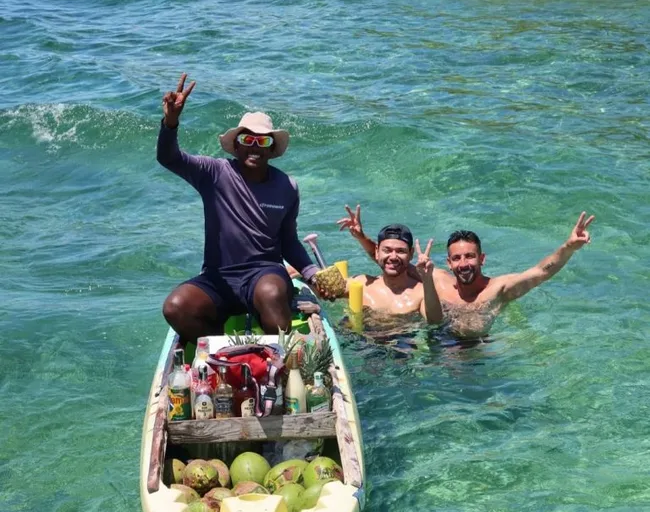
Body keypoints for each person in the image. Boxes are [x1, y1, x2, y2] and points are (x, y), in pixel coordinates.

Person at [157, 73, 321, 343]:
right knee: (175, 307)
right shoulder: (213, 173)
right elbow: (168, 158)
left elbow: (289, 241)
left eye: (263, 141)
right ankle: (223, 354)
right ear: (235, 146)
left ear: (272, 149)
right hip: (218, 277)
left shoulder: (287, 186)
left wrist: (312, 274)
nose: (254, 147)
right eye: (247, 140)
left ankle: (281, 363)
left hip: (265, 273)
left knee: (270, 293)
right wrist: (171, 122)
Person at [338, 205, 595, 339]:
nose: (464, 264)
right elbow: (392, 262)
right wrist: (361, 237)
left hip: (476, 355)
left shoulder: (497, 290)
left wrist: (568, 247)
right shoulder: (436, 280)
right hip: (438, 347)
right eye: (457, 258)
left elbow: (541, 271)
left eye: (470, 256)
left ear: (481, 258)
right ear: (449, 263)